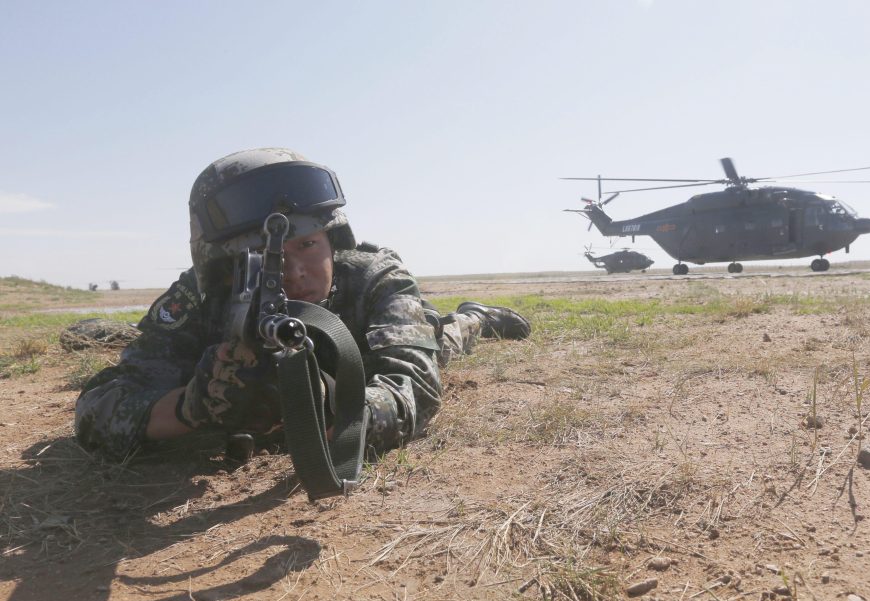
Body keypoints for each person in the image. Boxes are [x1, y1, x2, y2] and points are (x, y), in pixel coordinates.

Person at [74, 148, 530, 461]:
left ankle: (475, 316)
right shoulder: (199, 295)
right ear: (224, 267)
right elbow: (98, 407)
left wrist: (330, 407)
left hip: (362, 355)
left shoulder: (375, 277)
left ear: (333, 240)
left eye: (308, 245)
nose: (293, 274)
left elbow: (415, 388)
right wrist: (188, 408)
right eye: (263, 261)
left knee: (441, 343)